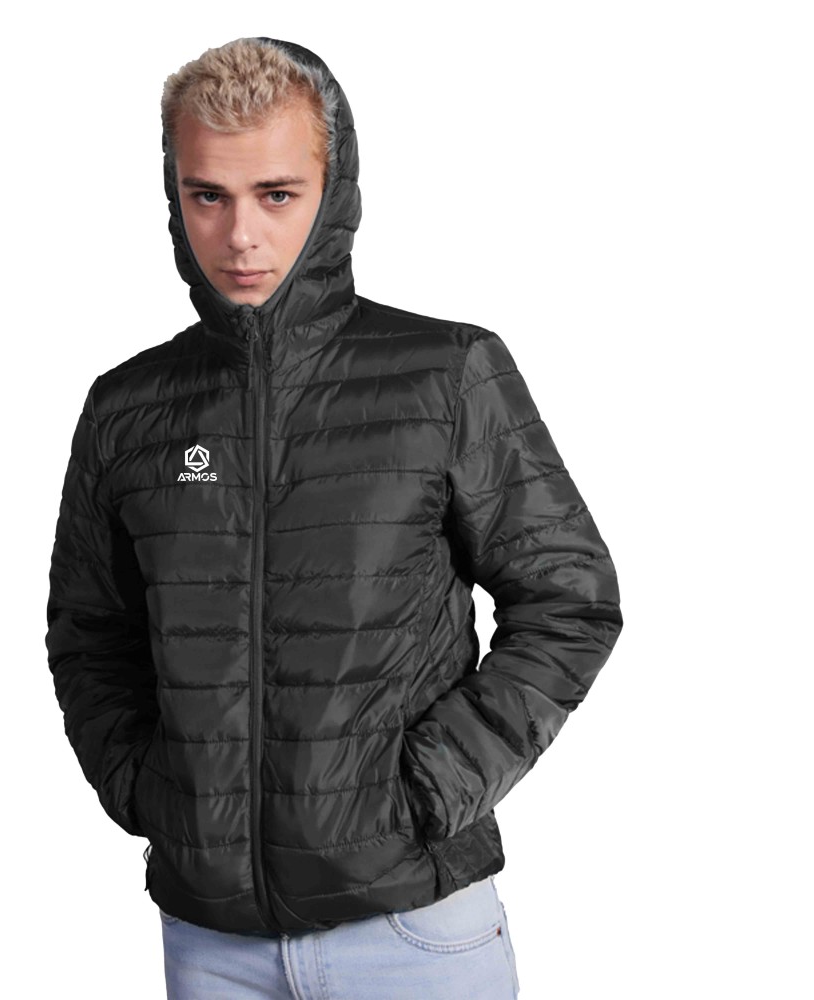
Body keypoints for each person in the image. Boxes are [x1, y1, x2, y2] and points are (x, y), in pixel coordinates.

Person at [45, 36, 623, 1000]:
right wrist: (150, 791)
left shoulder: (446, 373)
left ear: (334, 188)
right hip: (210, 940)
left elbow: (571, 600)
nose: (241, 236)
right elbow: (89, 633)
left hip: (413, 926)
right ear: (174, 195)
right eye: (208, 195)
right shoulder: (128, 408)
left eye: (277, 194)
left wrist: (433, 786)